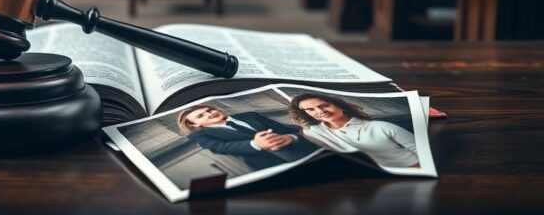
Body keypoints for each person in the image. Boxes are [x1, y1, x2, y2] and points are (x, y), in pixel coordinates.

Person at [289, 93, 420, 168]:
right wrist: (289, 138)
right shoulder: (314, 131)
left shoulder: (381, 126)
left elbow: (423, 152)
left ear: (340, 105)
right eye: (310, 110)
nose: (320, 112)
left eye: (324, 105)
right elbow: (298, 139)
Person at [177, 105, 318, 171]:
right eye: (200, 116)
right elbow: (220, 147)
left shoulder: (249, 115)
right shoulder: (199, 135)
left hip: (302, 151)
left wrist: (291, 137)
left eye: (209, 110)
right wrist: (255, 144)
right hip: (268, 163)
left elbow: (285, 129)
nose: (209, 114)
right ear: (194, 124)